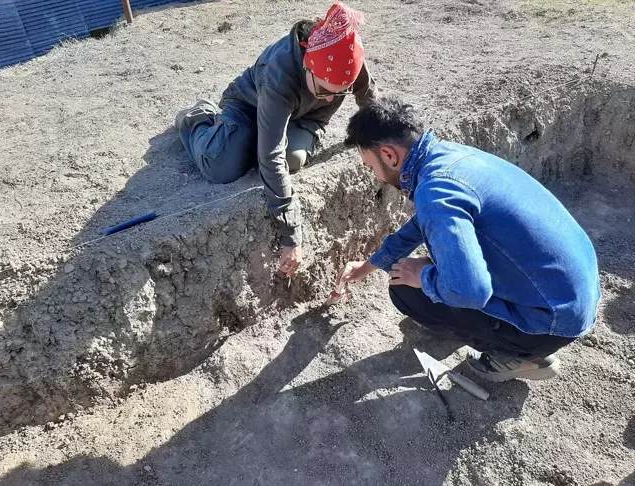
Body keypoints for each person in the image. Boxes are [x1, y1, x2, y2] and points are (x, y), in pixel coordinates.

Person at [337, 97, 601, 382]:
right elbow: (421, 224)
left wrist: (424, 278)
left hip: (550, 322)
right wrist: (370, 265)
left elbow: (470, 291)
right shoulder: (449, 158)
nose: (376, 176)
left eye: (370, 166)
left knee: (405, 288)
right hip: (571, 297)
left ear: (389, 156)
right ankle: (498, 331)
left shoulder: (435, 191)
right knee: (437, 264)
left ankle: (523, 356)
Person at [175, 2, 377, 276]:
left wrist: (388, 138)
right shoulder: (279, 73)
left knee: (292, 159)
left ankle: (258, 134)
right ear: (308, 66)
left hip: (302, 117)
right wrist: (291, 234)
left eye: (340, 92)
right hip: (249, 107)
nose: (330, 98)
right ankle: (198, 118)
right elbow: (270, 156)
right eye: (324, 90)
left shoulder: (346, 56)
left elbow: (372, 103)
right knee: (221, 167)